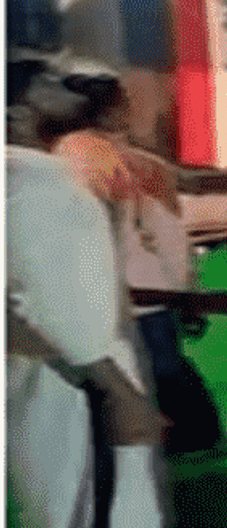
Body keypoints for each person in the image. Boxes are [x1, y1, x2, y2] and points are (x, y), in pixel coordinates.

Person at [49, 72, 227, 462]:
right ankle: (189, 443)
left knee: (138, 376)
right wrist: (189, 296)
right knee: (163, 375)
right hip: (142, 296)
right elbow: (171, 241)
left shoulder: (57, 167)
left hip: (118, 299)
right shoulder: (134, 167)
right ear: (115, 112)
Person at [6, 58, 167, 528]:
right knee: (96, 505)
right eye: (47, 84)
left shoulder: (32, 180)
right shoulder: (45, 187)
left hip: (51, 386)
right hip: (78, 391)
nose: (65, 86)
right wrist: (118, 392)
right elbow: (68, 316)